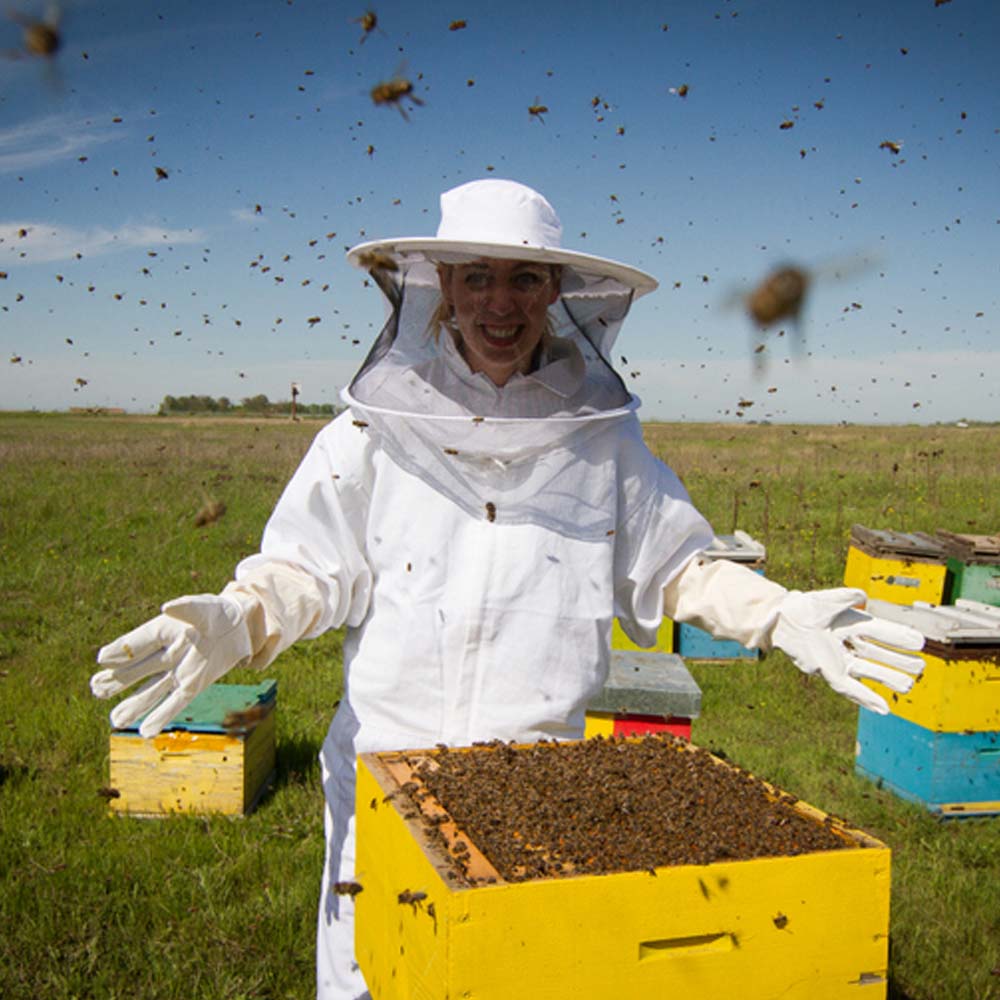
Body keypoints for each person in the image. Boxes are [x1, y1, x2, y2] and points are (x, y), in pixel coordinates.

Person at [90, 178, 925, 1000]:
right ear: (441, 288)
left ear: (556, 291)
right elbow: (308, 570)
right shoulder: (370, 431)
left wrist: (776, 613)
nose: (500, 302)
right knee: (372, 980)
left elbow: (677, 565)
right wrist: (239, 620)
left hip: (538, 797)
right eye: (477, 277)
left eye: (524, 278)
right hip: (386, 783)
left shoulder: (603, 441)